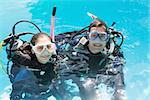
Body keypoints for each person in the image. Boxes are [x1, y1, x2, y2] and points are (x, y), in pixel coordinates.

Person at [56, 16, 126, 100]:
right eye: (94, 36)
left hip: (102, 71)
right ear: (88, 36)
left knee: (119, 94)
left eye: (102, 36)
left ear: (107, 38)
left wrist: (119, 91)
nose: (98, 41)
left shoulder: (113, 51)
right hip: (78, 70)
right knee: (87, 90)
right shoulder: (76, 43)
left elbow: (118, 71)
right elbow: (58, 39)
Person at [5, 32, 62, 100]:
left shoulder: (56, 60)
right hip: (31, 94)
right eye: (40, 48)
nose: (45, 52)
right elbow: (15, 94)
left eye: (49, 47)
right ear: (33, 50)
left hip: (48, 89)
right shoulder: (25, 70)